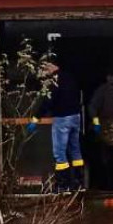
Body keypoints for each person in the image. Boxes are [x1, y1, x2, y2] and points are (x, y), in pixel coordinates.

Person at [28, 58, 85, 192]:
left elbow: (48, 102)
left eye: (45, 68)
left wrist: (36, 118)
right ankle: (78, 182)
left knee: (59, 153)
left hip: (62, 118)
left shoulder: (55, 81)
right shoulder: (70, 78)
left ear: (51, 66)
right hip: (75, 117)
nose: (44, 72)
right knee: (75, 150)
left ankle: (62, 184)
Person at [87, 69, 113, 191]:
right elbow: (92, 107)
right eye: (109, 76)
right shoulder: (101, 90)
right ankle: (106, 185)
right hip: (104, 127)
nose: (111, 79)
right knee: (105, 159)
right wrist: (96, 123)